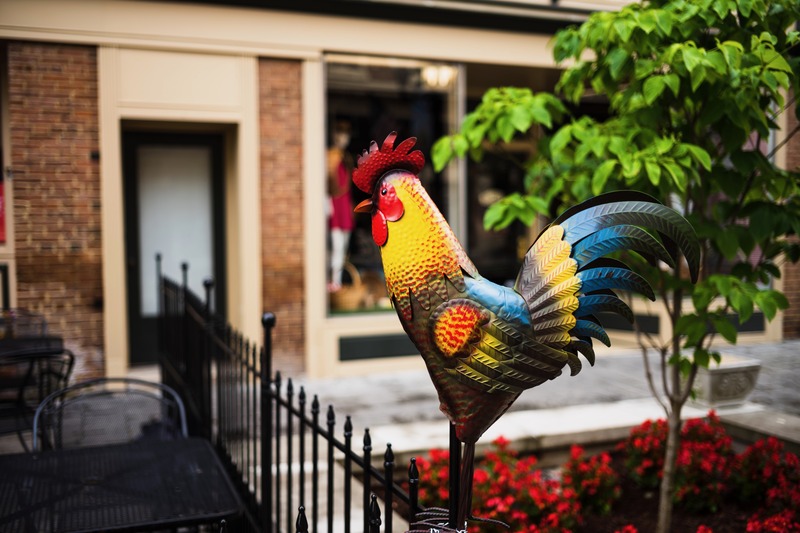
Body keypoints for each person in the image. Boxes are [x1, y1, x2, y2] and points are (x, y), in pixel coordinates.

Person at [327, 119, 355, 291]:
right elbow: (327, 182)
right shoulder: (330, 156)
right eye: (340, 133)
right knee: (336, 247)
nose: (343, 138)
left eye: (345, 134)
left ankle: (338, 281)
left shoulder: (347, 158)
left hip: (345, 206)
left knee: (343, 248)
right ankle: (334, 282)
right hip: (334, 206)